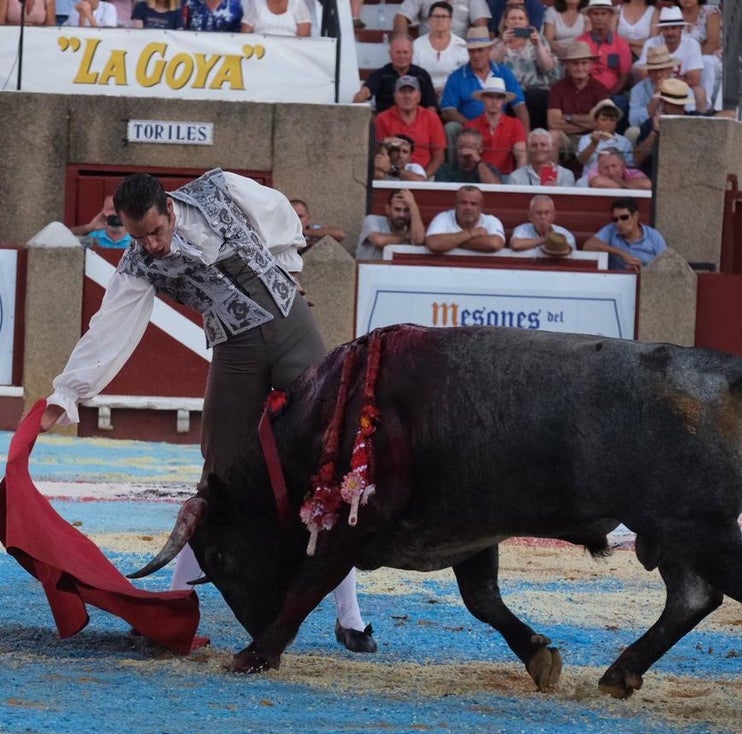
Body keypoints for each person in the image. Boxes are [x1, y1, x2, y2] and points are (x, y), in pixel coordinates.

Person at [36, 169, 377, 655]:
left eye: (155, 231)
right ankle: (176, 602)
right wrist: (66, 394)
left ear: (169, 208)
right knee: (217, 473)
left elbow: (277, 209)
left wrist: (288, 269)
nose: (150, 245)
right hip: (234, 350)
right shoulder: (138, 262)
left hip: (289, 327)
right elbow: (109, 328)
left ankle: (350, 617)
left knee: (326, 460)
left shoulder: (219, 189)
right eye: (138, 236)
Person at [441, 26, 530, 148]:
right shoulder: (457, 77)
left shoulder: (504, 72)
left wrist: (525, 135)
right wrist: (473, 127)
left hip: (500, 126)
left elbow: (519, 105)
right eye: (472, 51)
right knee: (451, 128)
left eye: (480, 50)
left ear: (490, 49)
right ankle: (455, 166)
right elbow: (448, 110)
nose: (476, 55)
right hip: (468, 130)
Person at [490, 1, 559, 129]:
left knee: (536, 98)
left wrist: (537, 45)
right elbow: (491, 65)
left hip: (535, 91)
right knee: (508, 100)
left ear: (527, 22)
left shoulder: (539, 40)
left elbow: (548, 67)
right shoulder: (498, 43)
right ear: (506, 22)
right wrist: (503, 44)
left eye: (521, 18)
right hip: (509, 92)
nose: (517, 21)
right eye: (513, 18)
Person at [633, 6, 705, 112]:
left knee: (699, 92)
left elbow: (694, 80)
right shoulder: (651, 43)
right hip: (654, 86)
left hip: (682, 88)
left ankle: (700, 123)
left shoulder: (692, 44)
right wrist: (668, 79)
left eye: (674, 28)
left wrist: (668, 82)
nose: (670, 32)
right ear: (661, 30)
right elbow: (644, 74)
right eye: (666, 28)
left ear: (681, 28)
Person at [374, 74, 447, 179]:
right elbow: (379, 154)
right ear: (395, 96)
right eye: (402, 91)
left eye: (411, 91)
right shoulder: (382, 119)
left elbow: (439, 157)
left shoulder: (431, 118)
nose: (407, 96)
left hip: (425, 175)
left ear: (419, 97)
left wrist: (423, 178)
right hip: (391, 174)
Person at [546, 41, 608, 158]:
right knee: (553, 135)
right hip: (567, 138)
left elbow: (601, 123)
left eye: (584, 63)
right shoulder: (558, 88)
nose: (580, 68)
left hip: (593, 137)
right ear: (567, 65)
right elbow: (553, 122)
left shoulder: (600, 89)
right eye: (575, 63)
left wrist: (569, 117)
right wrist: (589, 122)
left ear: (590, 65)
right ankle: (551, 176)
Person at [353, 33, 439, 114]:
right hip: (386, 124)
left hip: (416, 125)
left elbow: (431, 107)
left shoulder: (422, 75)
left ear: (412, 53)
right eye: (398, 52)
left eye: (405, 52)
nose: (402, 56)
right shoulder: (380, 74)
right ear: (390, 54)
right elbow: (364, 93)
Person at [578, 0, 631, 115]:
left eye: (603, 14)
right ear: (589, 16)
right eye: (595, 14)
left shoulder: (622, 45)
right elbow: (573, 73)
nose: (599, 18)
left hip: (612, 95)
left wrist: (608, 95)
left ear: (611, 16)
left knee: (620, 103)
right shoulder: (580, 42)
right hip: (584, 93)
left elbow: (623, 78)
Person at [583, 196, 666, 269]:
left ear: (636, 216)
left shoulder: (654, 236)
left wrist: (644, 270)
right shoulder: (611, 229)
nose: (619, 223)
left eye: (624, 217)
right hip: (616, 283)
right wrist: (621, 253)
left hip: (645, 284)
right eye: (615, 219)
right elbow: (588, 246)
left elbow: (666, 267)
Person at [633, 77, 693, 178]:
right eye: (672, 104)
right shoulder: (650, 125)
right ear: (663, 103)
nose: (677, 108)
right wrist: (655, 131)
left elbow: (727, 115)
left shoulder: (695, 121)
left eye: (678, 105)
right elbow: (638, 159)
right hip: (657, 177)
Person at [466, 75, 526, 174]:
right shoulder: (471, 125)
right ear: (483, 98)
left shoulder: (515, 124)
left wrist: (519, 182)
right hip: (479, 177)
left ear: (503, 101)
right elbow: (469, 159)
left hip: (506, 177)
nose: (494, 101)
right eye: (490, 96)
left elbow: (521, 155)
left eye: (499, 97)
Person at [424, 184, 506, 253]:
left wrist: (451, 242)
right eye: (463, 203)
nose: (468, 207)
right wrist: (472, 233)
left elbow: (495, 244)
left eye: (473, 204)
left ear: (481, 206)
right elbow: (433, 243)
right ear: (455, 203)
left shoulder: (491, 220)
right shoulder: (443, 217)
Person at [412, 2, 468, 97]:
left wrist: (446, 89)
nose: (440, 20)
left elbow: (463, 75)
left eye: (444, 17)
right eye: (436, 16)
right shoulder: (418, 44)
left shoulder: (461, 44)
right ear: (430, 20)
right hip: (423, 93)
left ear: (450, 20)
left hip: (452, 92)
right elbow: (414, 73)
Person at [675, 0, 721, 111]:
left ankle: (705, 106)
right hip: (681, 60)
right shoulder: (674, 14)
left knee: (705, 62)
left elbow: (712, 43)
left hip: (709, 56)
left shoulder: (710, 13)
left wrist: (693, 61)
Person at [356, 188, 425, 260]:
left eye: (407, 210)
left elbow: (419, 240)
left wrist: (413, 205)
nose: (402, 215)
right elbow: (379, 241)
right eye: (397, 209)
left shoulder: (411, 228)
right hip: (367, 270)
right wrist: (406, 237)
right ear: (388, 209)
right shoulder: (372, 219)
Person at [575, 98, 633, 181]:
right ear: (596, 121)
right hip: (589, 180)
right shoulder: (586, 139)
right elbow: (581, 160)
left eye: (612, 120)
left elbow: (629, 165)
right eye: (604, 119)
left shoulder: (624, 142)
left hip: (616, 181)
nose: (608, 123)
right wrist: (593, 144)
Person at [506, 127, 577, 186]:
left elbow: (567, 202)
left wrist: (556, 191)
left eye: (543, 145)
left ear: (550, 148)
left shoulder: (566, 175)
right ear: (528, 150)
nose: (539, 148)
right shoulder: (516, 177)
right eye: (534, 145)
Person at [629, 46, 677, 128]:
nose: (659, 75)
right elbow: (633, 121)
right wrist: (655, 99)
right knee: (632, 132)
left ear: (670, 69)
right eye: (654, 70)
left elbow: (688, 117)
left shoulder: (682, 88)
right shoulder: (637, 90)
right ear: (649, 71)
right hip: (648, 129)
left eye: (662, 69)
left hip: (675, 128)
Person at [509, 194, 577, 251]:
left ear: (553, 215)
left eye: (547, 213)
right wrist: (546, 240)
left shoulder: (565, 234)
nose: (543, 217)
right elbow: (515, 245)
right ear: (530, 216)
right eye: (539, 213)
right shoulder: (522, 229)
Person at [434, 127, 504, 183]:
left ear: (480, 149)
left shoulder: (490, 169)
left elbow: (494, 187)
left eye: (470, 147)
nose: (465, 152)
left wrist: (478, 160)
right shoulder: (445, 170)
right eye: (461, 147)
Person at [394, 0, 489, 39]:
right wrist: (403, 42)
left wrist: (476, 50)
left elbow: (481, 23)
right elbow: (401, 17)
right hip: (426, 49)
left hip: (461, 50)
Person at [585, 148, 651, 190]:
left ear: (623, 166)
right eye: (605, 167)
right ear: (599, 168)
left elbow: (647, 184)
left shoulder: (634, 172)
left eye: (614, 166)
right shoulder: (594, 171)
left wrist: (622, 183)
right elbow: (598, 183)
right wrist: (625, 186)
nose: (611, 171)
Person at [240, 0, 309, 36]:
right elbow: (245, 34)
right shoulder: (257, 3)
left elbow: (304, 38)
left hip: (290, 55)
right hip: (261, 54)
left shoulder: (297, 3)